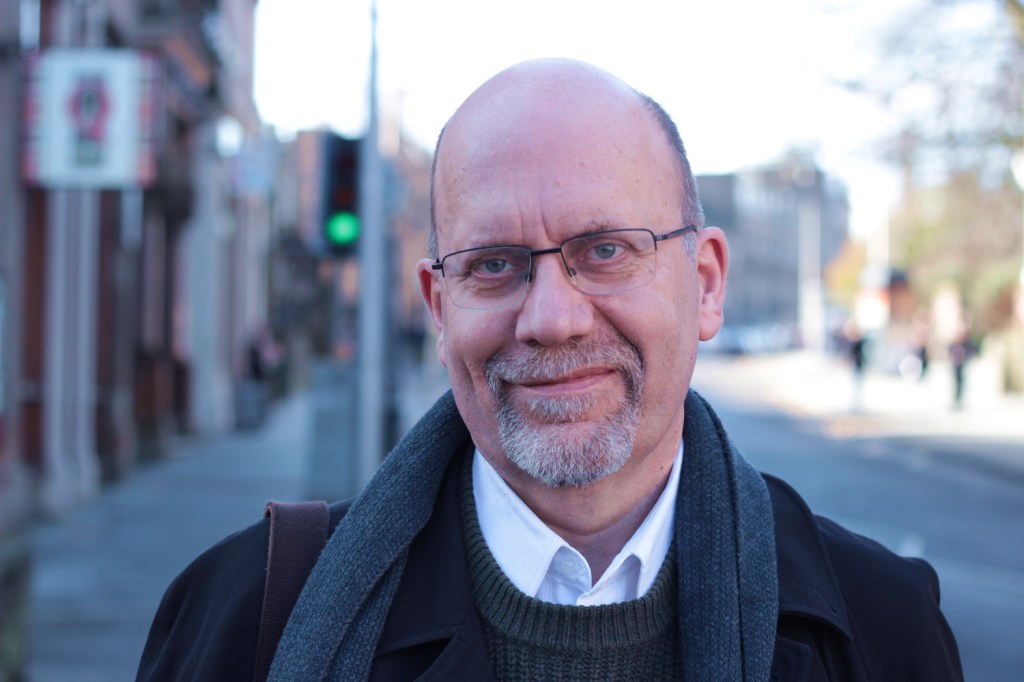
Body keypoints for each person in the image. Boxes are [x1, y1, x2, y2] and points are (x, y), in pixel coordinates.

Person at [137, 59, 962, 681]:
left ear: (706, 284)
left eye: (605, 252)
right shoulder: (240, 618)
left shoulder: (880, 628)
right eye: (494, 264)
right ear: (439, 308)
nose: (552, 318)